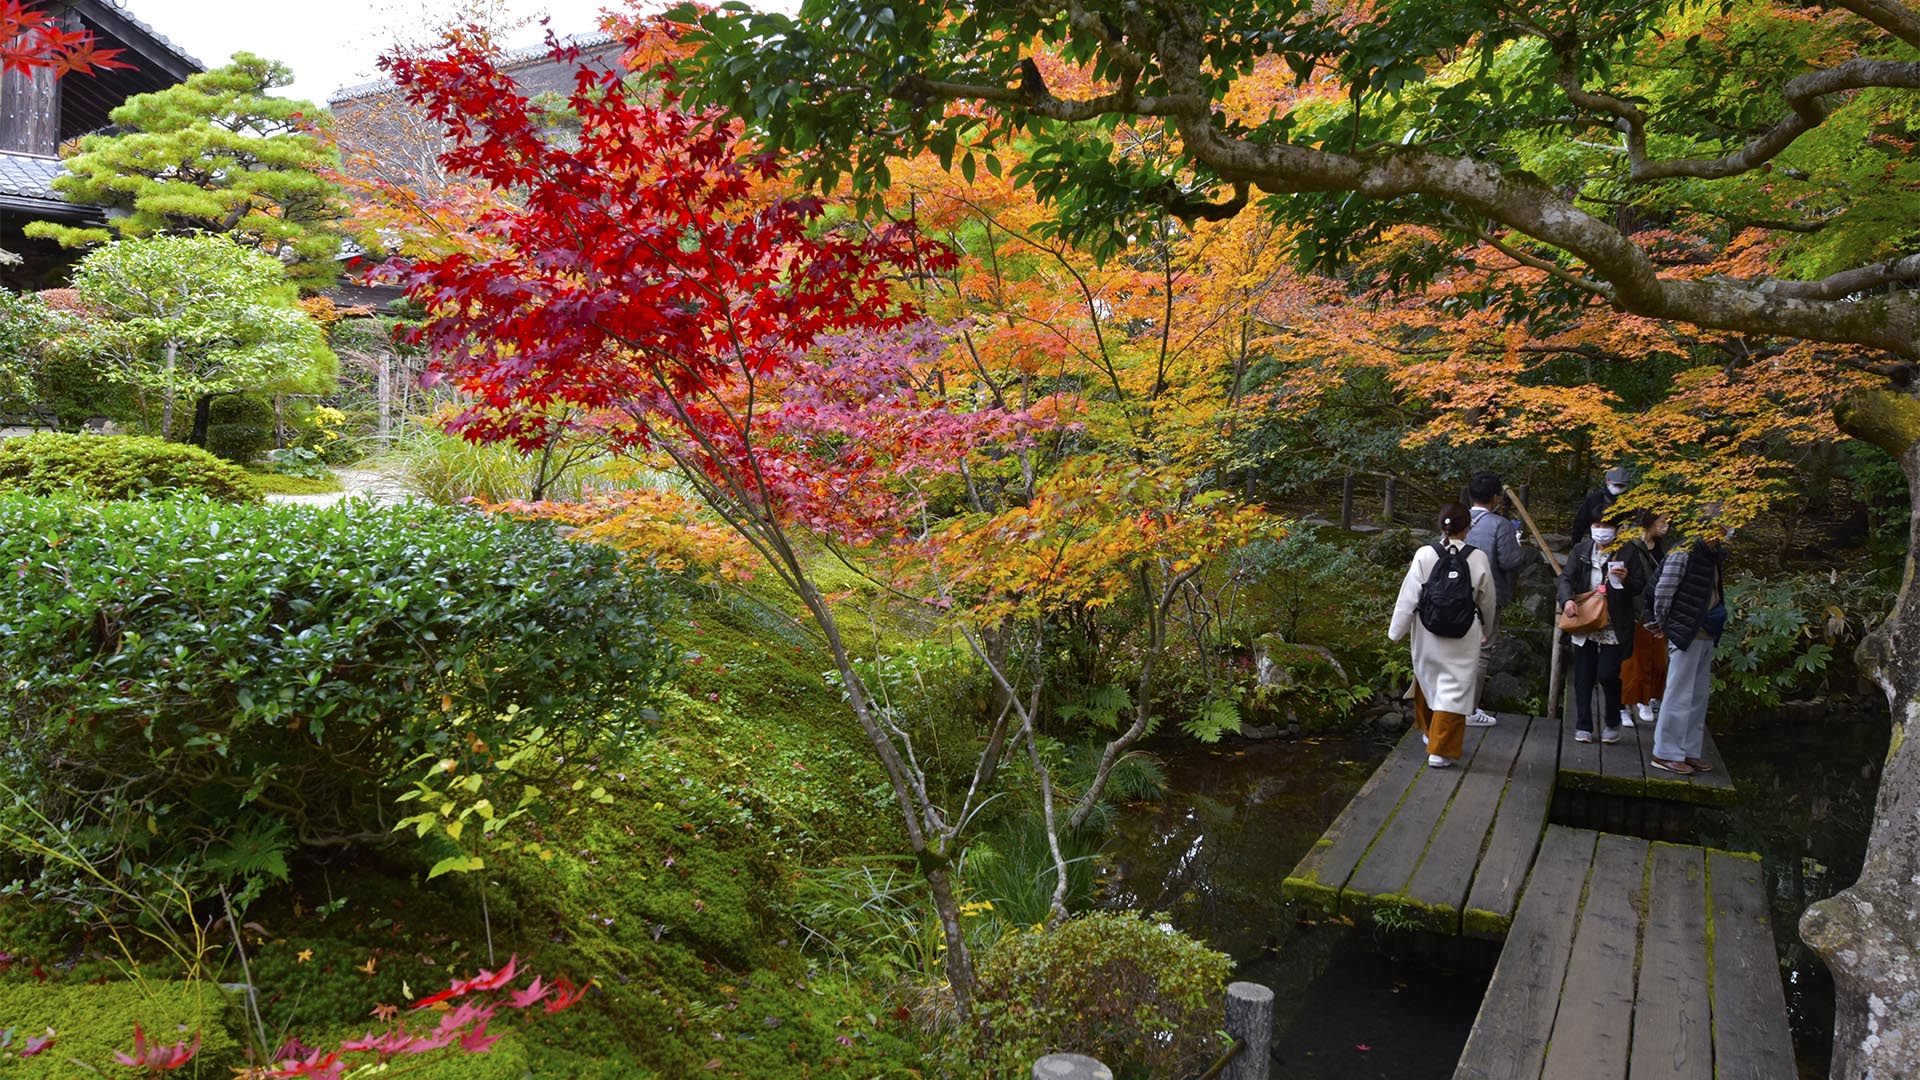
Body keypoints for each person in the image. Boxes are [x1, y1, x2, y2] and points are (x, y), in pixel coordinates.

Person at [1389, 503, 1498, 768]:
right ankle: (1440, 750)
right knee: (1455, 689)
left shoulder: (1425, 554)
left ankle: (1429, 733)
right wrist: (1486, 629)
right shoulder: (1478, 557)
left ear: (1441, 526)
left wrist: (1396, 632)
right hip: (1464, 632)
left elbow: (1408, 597)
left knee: (1428, 678)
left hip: (1428, 630)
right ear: (1468, 527)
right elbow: (1488, 600)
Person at [1649, 508, 1732, 775]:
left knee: (1697, 695)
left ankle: (1688, 750)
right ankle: (1665, 753)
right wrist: (1664, 625)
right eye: (1726, 524)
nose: (1730, 530)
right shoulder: (1683, 552)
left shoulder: (1714, 553)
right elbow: (1663, 591)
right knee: (1678, 693)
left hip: (1707, 628)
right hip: (1687, 629)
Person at [1557, 514, 1647, 744]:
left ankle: (1612, 719)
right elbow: (1566, 578)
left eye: (1606, 526)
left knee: (1608, 674)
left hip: (1613, 622)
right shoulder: (1581, 549)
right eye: (1597, 525)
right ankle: (1583, 725)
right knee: (1583, 674)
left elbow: (1639, 586)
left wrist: (1625, 580)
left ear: (1616, 529)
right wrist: (1567, 600)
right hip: (1585, 618)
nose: (1601, 530)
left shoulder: (1628, 552)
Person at [1463, 471, 1525, 726]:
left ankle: (1448, 706)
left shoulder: (1456, 518)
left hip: (1454, 596)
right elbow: (1510, 561)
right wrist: (1518, 545)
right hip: (1488, 595)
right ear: (1497, 497)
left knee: (1456, 650)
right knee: (1482, 651)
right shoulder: (1499, 525)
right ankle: (1469, 709)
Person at [1617, 509, 1673, 727]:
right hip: (1635, 609)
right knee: (1635, 658)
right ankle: (1633, 701)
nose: (1666, 525)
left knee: (1657, 658)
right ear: (1650, 522)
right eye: (1662, 521)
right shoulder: (1630, 547)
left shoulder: (1662, 547)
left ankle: (1650, 696)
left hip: (1658, 610)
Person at [1572, 466, 1632, 537]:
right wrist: (1576, 545)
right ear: (1607, 481)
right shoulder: (1594, 499)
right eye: (1616, 485)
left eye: (1622, 486)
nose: (1619, 488)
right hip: (1596, 540)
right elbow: (1580, 523)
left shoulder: (1633, 500)